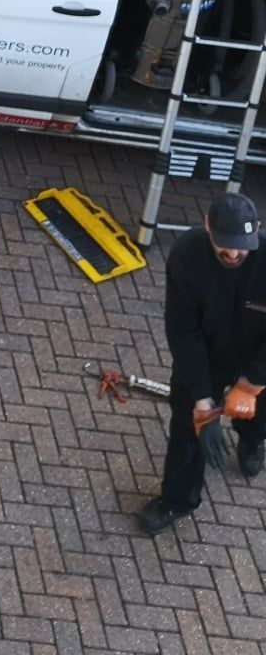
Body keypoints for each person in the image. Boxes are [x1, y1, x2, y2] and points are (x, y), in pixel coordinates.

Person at [138, 193, 266, 537]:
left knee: (259, 411)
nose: (235, 253)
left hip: (258, 359)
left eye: (243, 245)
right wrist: (203, 403)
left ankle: (253, 438)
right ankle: (176, 500)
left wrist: (250, 385)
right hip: (206, 355)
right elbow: (182, 330)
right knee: (186, 429)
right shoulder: (186, 256)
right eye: (225, 244)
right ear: (207, 226)